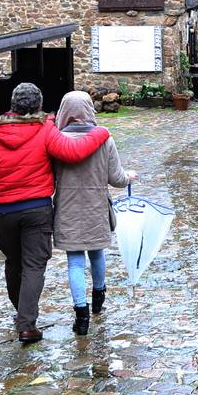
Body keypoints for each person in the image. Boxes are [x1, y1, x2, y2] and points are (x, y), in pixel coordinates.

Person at [0, 83, 111, 344]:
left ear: (12, 103)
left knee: (13, 262)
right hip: (37, 208)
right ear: (38, 105)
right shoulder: (44, 129)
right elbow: (73, 153)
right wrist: (101, 132)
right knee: (34, 265)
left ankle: (22, 313)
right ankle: (26, 324)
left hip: (4, 211)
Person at [52, 91, 135, 336]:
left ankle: (81, 315)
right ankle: (99, 296)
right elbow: (117, 179)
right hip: (96, 206)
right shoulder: (104, 139)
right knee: (97, 253)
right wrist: (129, 176)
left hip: (67, 208)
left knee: (75, 262)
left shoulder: (55, 140)